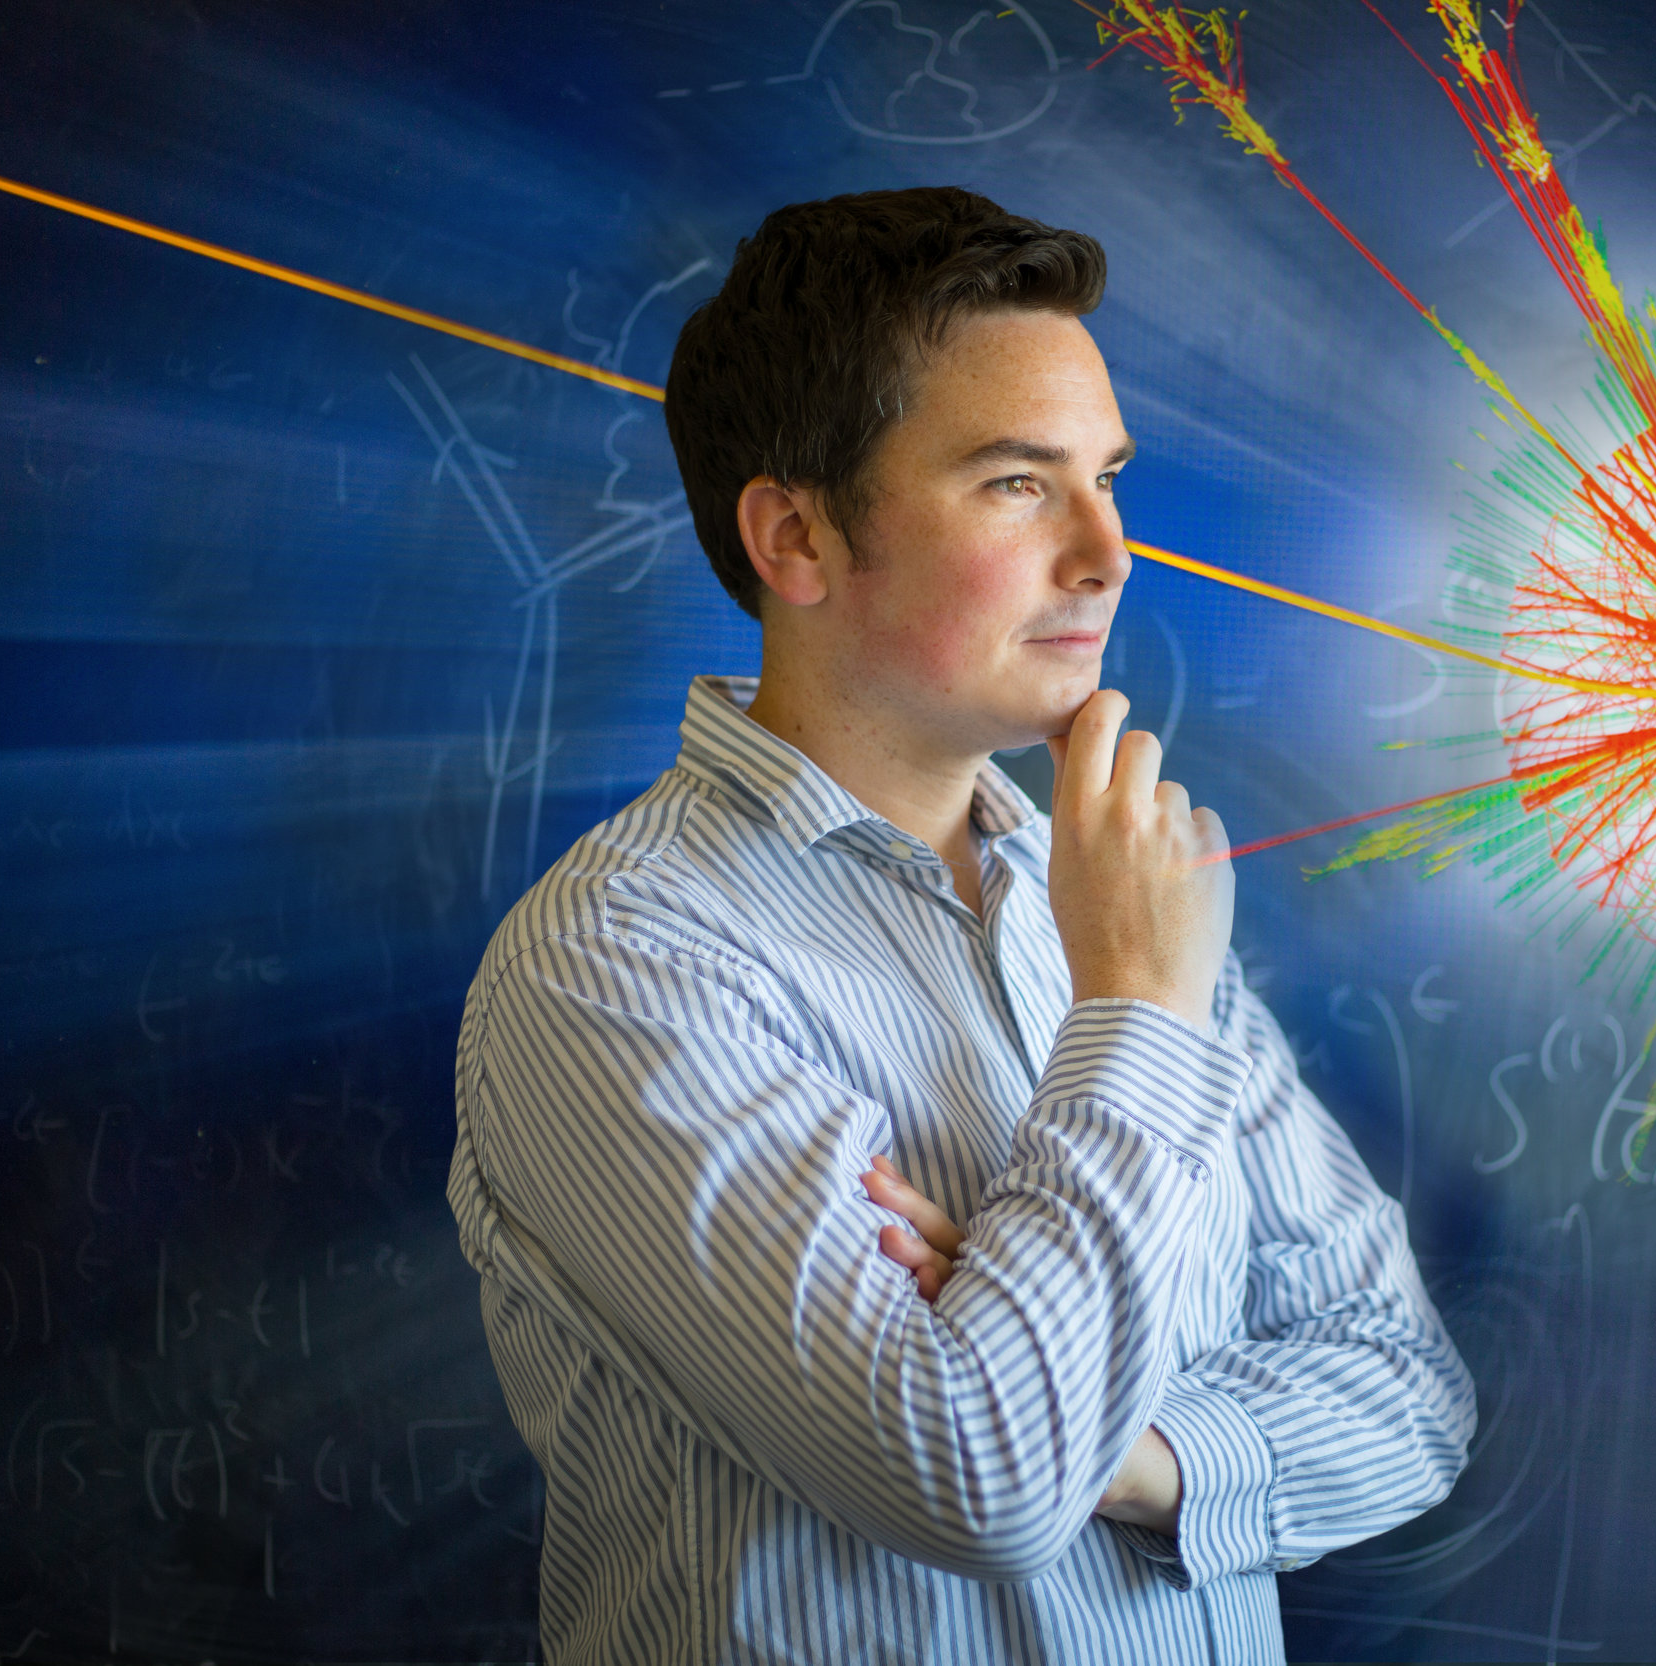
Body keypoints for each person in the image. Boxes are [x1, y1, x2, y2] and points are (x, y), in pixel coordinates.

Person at [445, 186, 1474, 1665]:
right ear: (795, 535)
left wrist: (1127, 1453)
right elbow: (975, 1473)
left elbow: (1408, 1386)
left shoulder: (1116, 898)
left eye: (1108, 477)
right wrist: (1134, 1018)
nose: (1111, 553)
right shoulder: (616, 964)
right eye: (1015, 483)